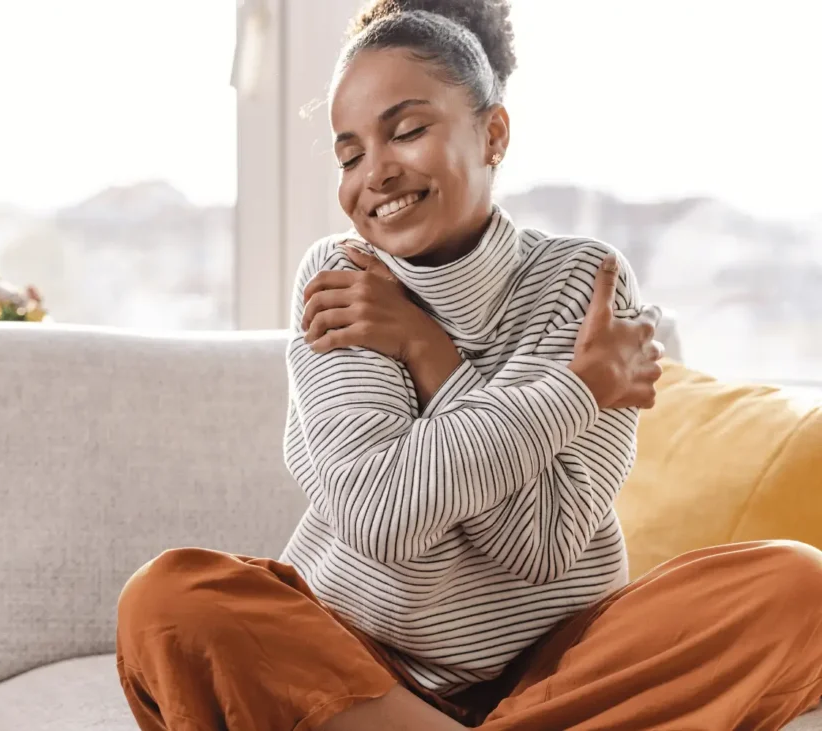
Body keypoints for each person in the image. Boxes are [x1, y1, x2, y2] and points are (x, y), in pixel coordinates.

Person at [116, 1, 822, 728]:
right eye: (350, 153)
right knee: (169, 602)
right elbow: (381, 516)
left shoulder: (585, 283)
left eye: (408, 130)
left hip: (558, 664)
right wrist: (576, 390)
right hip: (360, 666)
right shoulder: (341, 278)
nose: (376, 174)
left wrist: (429, 350)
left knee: (800, 586)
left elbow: (542, 545)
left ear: (493, 132)